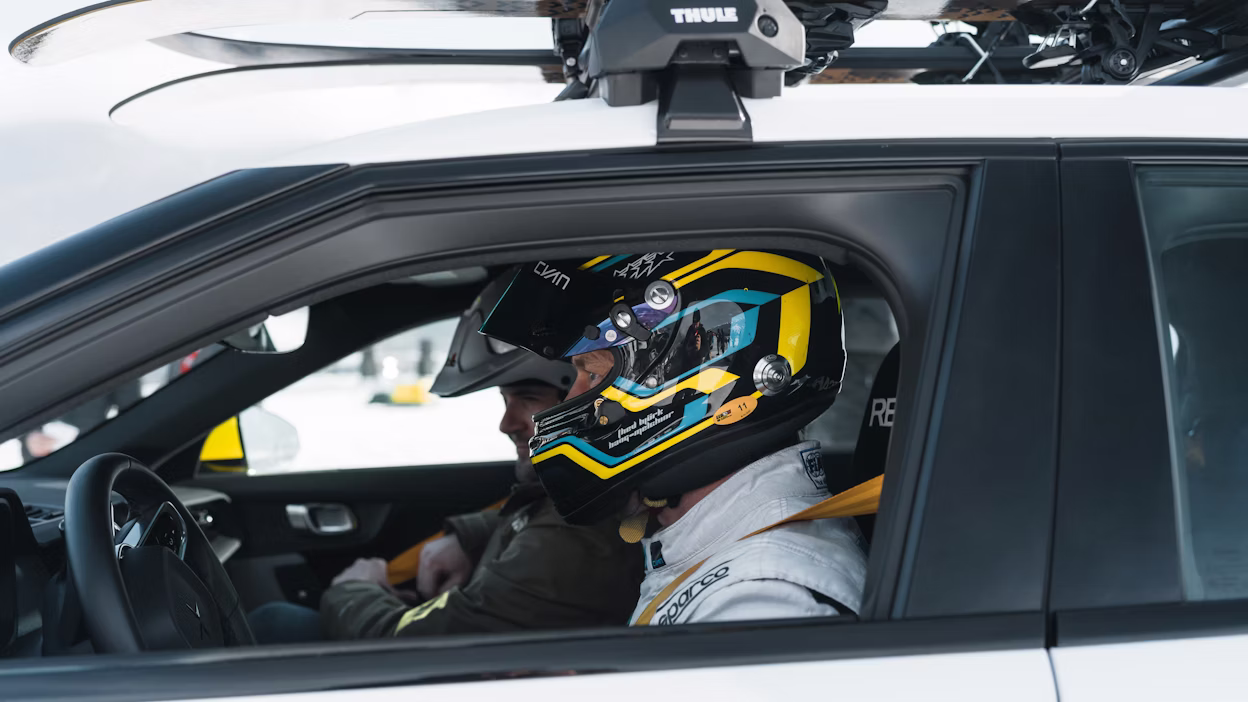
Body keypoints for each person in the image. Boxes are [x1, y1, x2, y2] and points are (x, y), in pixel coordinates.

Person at [480, 250, 868, 625]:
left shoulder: (761, 600)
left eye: (594, 375)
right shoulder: (725, 552)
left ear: (697, 369)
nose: (571, 399)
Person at [249, 273, 641, 643]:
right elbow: (539, 518)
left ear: (590, 401)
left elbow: (415, 644)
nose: (507, 424)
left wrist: (355, 590)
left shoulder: (581, 535)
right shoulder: (577, 500)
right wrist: (469, 539)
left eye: (527, 399)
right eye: (506, 401)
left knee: (272, 624)